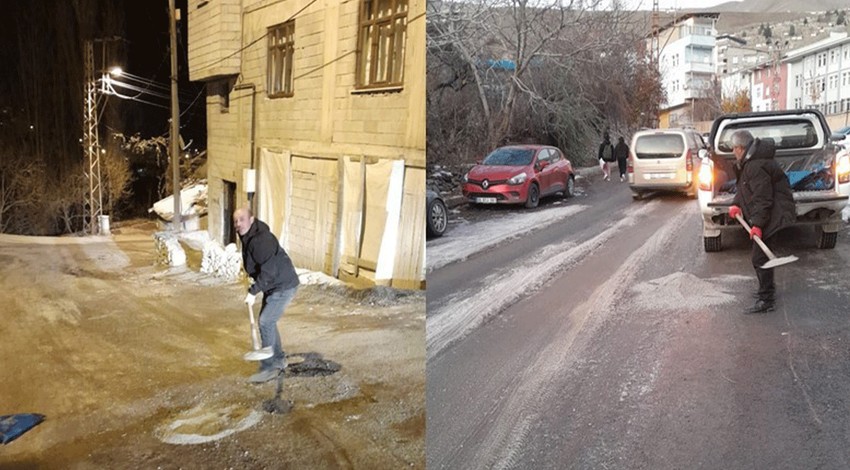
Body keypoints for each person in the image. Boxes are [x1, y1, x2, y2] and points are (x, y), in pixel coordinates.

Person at [727, 131, 795, 314]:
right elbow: (744, 188)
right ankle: (765, 292)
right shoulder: (750, 163)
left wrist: (757, 224)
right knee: (761, 257)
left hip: (774, 212)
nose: (733, 152)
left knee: (759, 257)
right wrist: (735, 204)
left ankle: (767, 299)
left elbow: (763, 198)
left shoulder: (755, 166)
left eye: (735, 148)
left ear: (741, 148)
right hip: (770, 212)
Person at [233, 208, 300, 383]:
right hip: (273, 285)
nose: (238, 224)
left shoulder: (261, 240)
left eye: (242, 219)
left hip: (282, 285)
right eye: (235, 221)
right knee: (269, 322)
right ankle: (278, 359)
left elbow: (269, 270)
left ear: (251, 219)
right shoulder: (248, 236)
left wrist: (253, 291)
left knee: (265, 321)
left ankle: (269, 368)